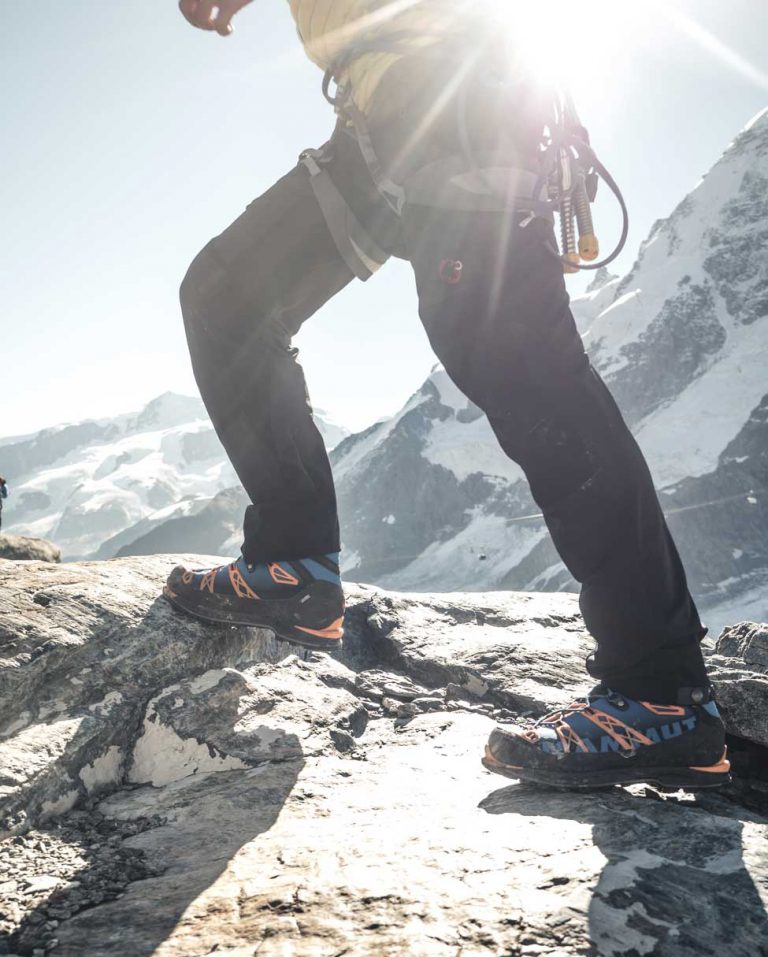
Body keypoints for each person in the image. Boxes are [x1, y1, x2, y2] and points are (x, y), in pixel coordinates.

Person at [165, 0, 730, 790]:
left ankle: (659, 690)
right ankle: (294, 565)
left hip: (460, 90)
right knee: (229, 298)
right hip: (377, 116)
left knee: (516, 357)